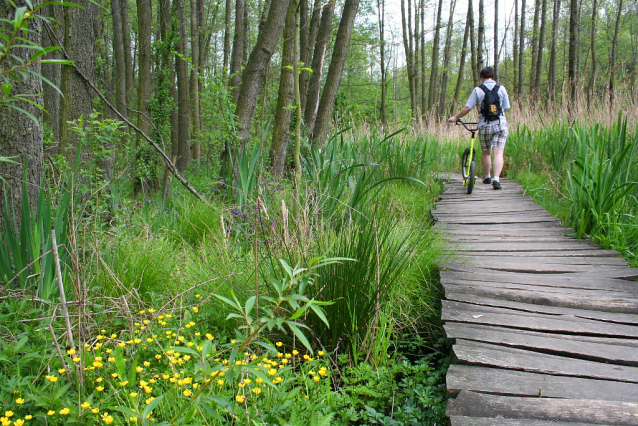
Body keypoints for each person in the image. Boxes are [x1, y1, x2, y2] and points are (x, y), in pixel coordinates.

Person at [447, 67, 511, 190]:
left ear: (481, 77)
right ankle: (496, 180)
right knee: (498, 153)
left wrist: (455, 117)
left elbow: (467, 108)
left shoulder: (478, 90)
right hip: (500, 124)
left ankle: (487, 177)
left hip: (485, 125)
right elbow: (505, 108)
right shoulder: (501, 88)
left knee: (486, 152)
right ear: (493, 76)